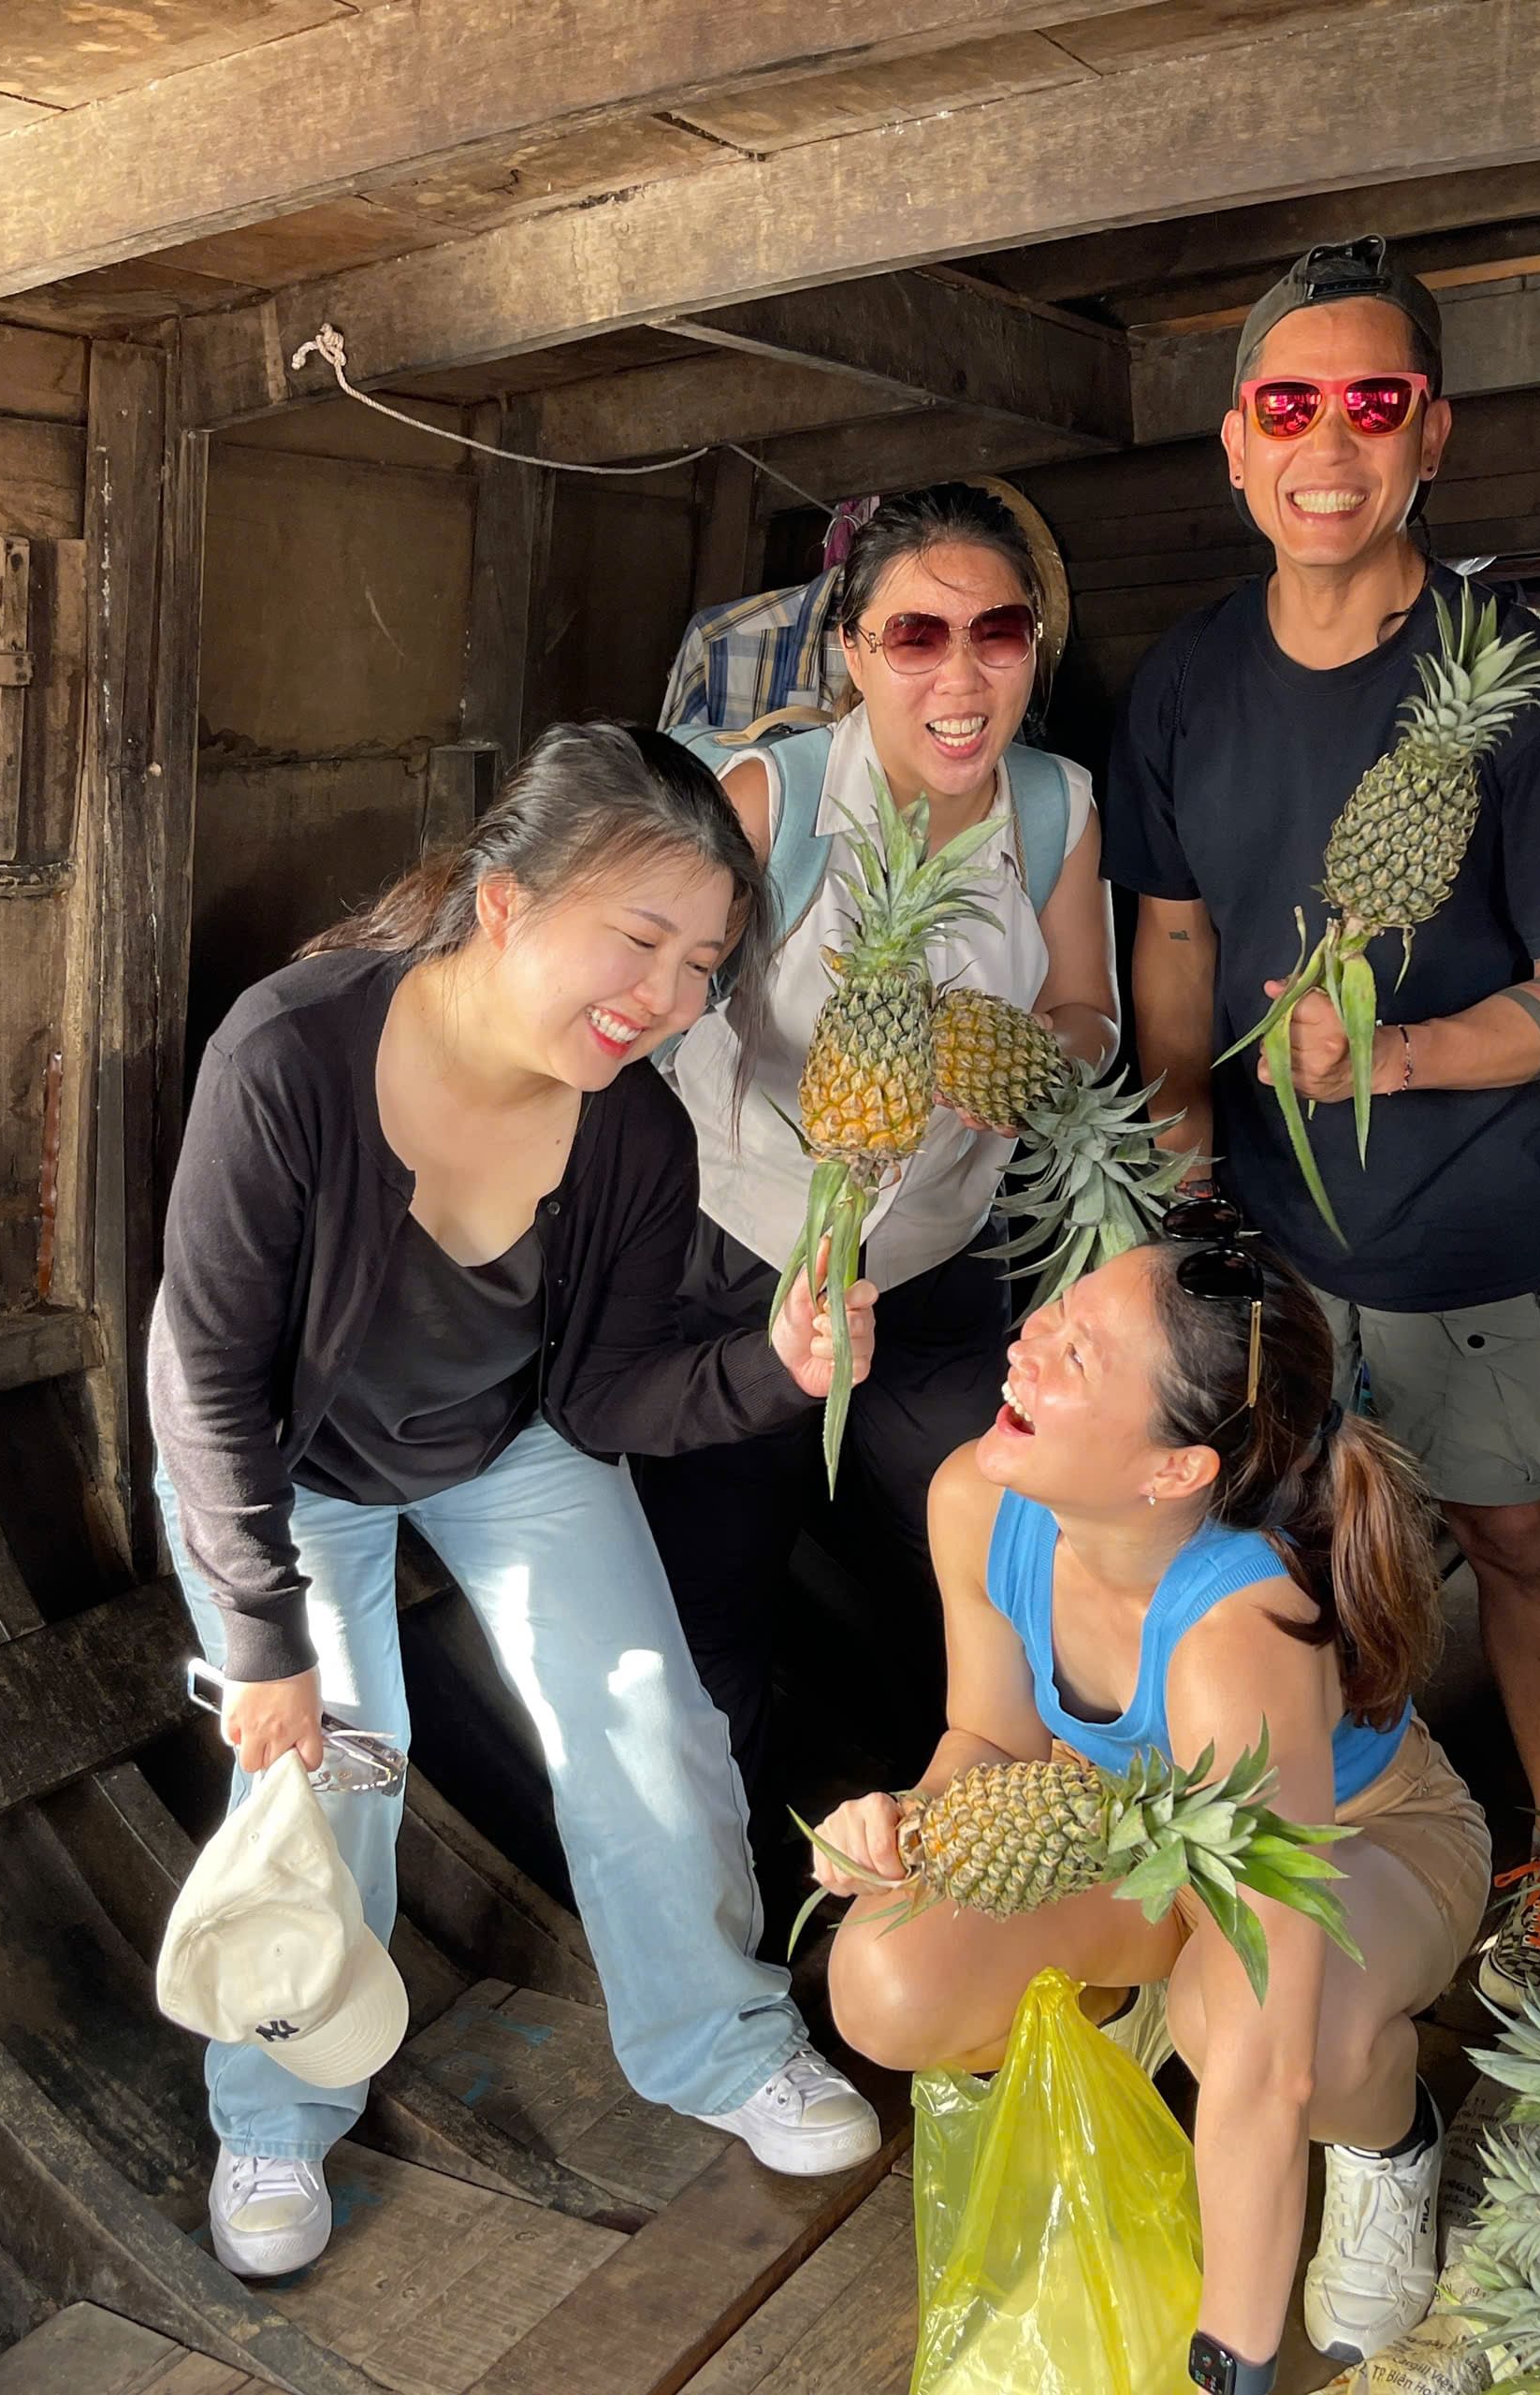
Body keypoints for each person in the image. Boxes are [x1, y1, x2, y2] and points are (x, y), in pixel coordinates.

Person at [149, 722, 883, 2281]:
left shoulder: (632, 1124)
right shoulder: (286, 1056)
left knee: (653, 1722)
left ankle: (719, 2042)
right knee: (330, 1778)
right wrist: (266, 1640)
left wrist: (778, 1367)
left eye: (703, 964)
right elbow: (204, 1375)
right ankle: (275, 2112)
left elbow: (609, 1393)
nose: (669, 999)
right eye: (640, 940)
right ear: (507, 901)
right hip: (282, 1469)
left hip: (497, 1443)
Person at [1107, 235, 1540, 2011]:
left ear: (1434, 433)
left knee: (1512, 1530)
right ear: (1235, 442)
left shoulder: (1529, 685)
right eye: (1292, 402)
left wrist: (1409, 1059)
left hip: (1464, 1224)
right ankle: (1312, 1836)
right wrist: (1184, 1171)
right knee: (1271, 1551)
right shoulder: (1186, 683)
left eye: (1374, 402)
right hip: (1256, 1238)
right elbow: (1174, 947)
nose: (1329, 441)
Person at [811, 1212, 1492, 2379]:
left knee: (1248, 2025)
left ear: (1174, 1470)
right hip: (1126, 1831)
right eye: (1058, 1314)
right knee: (884, 1972)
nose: (1024, 1342)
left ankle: (1389, 2142)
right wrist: (911, 1820)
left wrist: (1231, 2354)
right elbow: (987, 1732)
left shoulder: (1243, 1637)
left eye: (1077, 1356)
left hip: (1358, 1847)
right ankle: (1119, 1991)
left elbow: (1269, 2042)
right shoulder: (980, 1497)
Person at [638, 482, 1120, 1790]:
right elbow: (645, 1023)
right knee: (711, 1609)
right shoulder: (770, 799)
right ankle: (717, 1919)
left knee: (992, 1576)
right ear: (853, 652)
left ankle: (970, 1853)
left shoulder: (1055, 806)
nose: (960, 674)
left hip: (939, 1274)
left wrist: (1024, 1064)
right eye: (916, 636)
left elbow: (1086, 1009)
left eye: (998, 632)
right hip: (737, 1268)